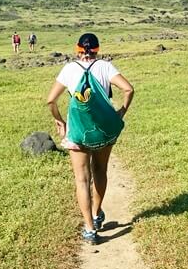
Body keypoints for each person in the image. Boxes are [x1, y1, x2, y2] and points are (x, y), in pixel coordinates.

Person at [46, 33, 134, 245]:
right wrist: (120, 113)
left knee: (82, 179)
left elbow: (51, 100)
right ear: (97, 49)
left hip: (78, 130)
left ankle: (89, 228)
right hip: (104, 129)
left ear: (77, 49)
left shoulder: (69, 69)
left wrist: (60, 122)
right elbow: (128, 89)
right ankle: (97, 213)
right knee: (100, 171)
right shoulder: (105, 66)